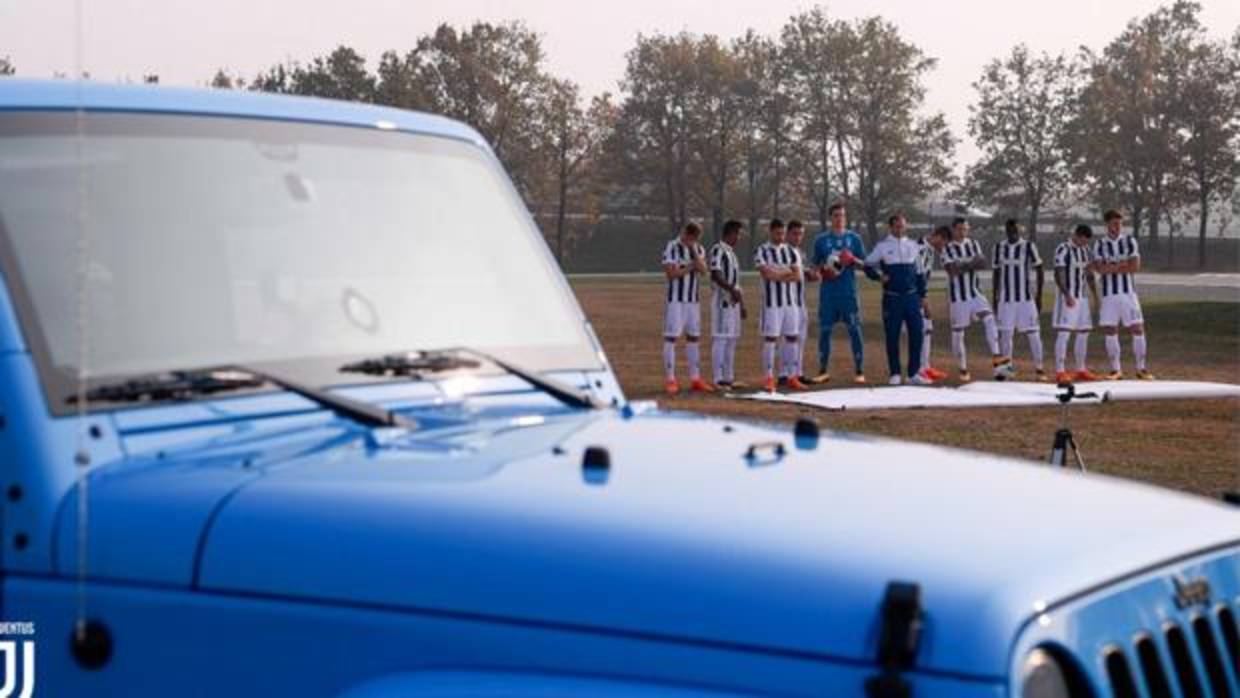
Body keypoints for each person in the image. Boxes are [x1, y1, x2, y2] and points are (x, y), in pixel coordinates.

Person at [940, 217, 1012, 381]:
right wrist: (970, 263)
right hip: (958, 297)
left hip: (975, 293)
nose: (963, 232)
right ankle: (963, 368)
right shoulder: (947, 249)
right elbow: (951, 270)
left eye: (965, 229)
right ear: (953, 230)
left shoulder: (973, 244)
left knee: (989, 320)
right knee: (959, 334)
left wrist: (962, 264)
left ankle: (999, 364)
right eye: (959, 229)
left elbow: (982, 264)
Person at [863, 213, 931, 386]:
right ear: (891, 227)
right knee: (892, 336)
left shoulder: (914, 246)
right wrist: (878, 277)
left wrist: (922, 296)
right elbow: (867, 265)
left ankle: (913, 373)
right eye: (897, 226)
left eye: (903, 226)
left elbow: (920, 273)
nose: (900, 229)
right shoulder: (882, 246)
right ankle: (894, 373)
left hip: (911, 298)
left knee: (917, 334)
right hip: (892, 299)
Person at [810, 203, 869, 384]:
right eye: (836, 215)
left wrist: (852, 259)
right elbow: (814, 267)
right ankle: (822, 370)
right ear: (830, 218)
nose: (839, 219)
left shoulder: (854, 239)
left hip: (848, 293)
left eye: (842, 215)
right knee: (825, 331)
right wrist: (822, 269)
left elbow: (864, 265)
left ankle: (859, 371)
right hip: (828, 294)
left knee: (854, 330)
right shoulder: (820, 240)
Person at [1091, 210, 1153, 380]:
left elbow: (1134, 267)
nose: (1117, 227)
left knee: (1137, 328)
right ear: (1107, 225)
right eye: (1114, 223)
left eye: (1120, 224)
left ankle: (1141, 368)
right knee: (1110, 330)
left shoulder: (1129, 241)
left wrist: (1112, 266)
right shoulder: (1100, 244)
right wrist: (1120, 265)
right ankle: (1115, 370)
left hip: (1128, 294)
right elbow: (1100, 269)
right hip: (1109, 295)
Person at [754, 219, 807, 392]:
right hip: (772, 304)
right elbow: (767, 274)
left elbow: (798, 276)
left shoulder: (791, 251)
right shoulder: (762, 250)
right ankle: (769, 377)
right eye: (778, 233)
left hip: (790, 302)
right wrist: (785, 272)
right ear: (770, 232)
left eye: (783, 233)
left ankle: (792, 376)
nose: (781, 236)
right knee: (771, 339)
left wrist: (779, 273)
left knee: (792, 338)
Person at [991, 219, 1047, 381]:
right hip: (1006, 300)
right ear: (1006, 231)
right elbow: (996, 273)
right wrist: (995, 297)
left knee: (1033, 334)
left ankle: (1039, 369)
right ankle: (1006, 370)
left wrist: (1039, 295)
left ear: (1020, 230)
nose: (1012, 234)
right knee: (1006, 335)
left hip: (1025, 300)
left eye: (1015, 230)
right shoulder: (999, 248)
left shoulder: (1029, 246)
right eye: (1009, 231)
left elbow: (1040, 269)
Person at [660, 222, 711, 395]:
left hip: (693, 301)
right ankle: (670, 379)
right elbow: (671, 273)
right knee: (671, 338)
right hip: (675, 300)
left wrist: (695, 253)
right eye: (688, 237)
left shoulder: (698, 248)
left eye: (694, 238)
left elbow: (704, 270)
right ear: (683, 233)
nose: (690, 241)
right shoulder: (672, 247)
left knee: (693, 337)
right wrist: (690, 267)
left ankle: (695, 378)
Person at [1052, 224, 1101, 383]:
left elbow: (1088, 273)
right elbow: (1058, 274)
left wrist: (1094, 294)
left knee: (1083, 332)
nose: (1085, 244)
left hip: (1082, 297)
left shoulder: (1085, 250)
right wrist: (1067, 295)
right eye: (1083, 241)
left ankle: (1081, 369)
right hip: (1068, 297)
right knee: (1064, 332)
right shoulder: (1063, 249)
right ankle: (1060, 370)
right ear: (1077, 236)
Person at [709, 220, 747, 390]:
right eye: (737, 234)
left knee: (731, 340)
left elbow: (736, 281)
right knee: (720, 339)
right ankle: (718, 379)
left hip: (733, 303)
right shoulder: (718, 250)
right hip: (721, 302)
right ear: (729, 233)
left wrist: (742, 303)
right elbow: (715, 275)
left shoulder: (731, 253)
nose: (739, 238)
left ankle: (729, 378)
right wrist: (731, 290)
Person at [783, 220, 819, 384]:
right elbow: (788, 273)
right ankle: (785, 373)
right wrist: (806, 274)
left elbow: (802, 274)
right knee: (788, 338)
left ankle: (798, 372)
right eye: (795, 233)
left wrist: (813, 275)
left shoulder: (800, 253)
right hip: (786, 301)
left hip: (800, 300)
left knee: (801, 337)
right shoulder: (782, 252)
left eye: (801, 234)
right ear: (788, 233)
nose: (798, 237)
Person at [915, 227, 949, 381]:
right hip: (914, 296)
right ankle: (918, 370)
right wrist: (923, 299)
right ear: (937, 237)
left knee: (927, 329)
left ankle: (925, 367)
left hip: (920, 295)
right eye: (943, 243)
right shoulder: (921, 249)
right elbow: (916, 275)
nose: (943, 247)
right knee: (921, 330)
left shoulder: (929, 250)